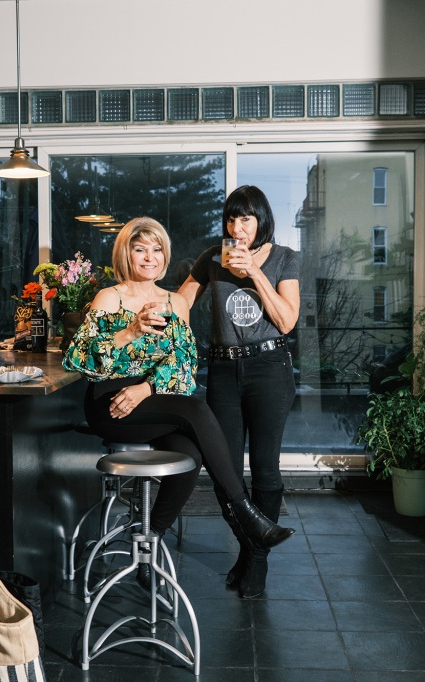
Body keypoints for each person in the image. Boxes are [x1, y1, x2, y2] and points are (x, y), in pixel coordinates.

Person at [63, 216, 294, 589]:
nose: (150, 258)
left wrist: (148, 389)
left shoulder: (175, 302)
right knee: (199, 410)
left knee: (190, 457)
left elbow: (184, 369)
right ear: (126, 255)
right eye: (140, 250)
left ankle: (148, 545)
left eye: (157, 250)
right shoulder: (110, 298)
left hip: (152, 400)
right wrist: (129, 331)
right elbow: (77, 360)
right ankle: (247, 514)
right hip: (112, 403)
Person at [177, 185, 300, 599]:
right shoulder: (213, 257)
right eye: (231, 218)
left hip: (269, 369)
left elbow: (286, 322)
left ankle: (255, 562)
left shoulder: (285, 258)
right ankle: (255, 546)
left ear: (261, 219)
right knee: (223, 472)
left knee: (265, 469)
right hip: (223, 369)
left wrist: (255, 273)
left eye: (245, 218)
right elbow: (180, 303)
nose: (237, 227)